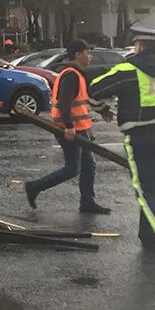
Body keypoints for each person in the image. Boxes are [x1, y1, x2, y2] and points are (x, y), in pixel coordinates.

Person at [89, 27, 155, 267]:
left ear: (139, 46)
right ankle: (149, 237)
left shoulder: (127, 70)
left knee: (146, 191)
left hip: (141, 137)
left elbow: (94, 91)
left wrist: (102, 108)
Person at [24, 39, 112, 215]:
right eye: (88, 52)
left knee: (89, 165)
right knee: (72, 168)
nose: (90, 56)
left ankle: (87, 202)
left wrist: (102, 110)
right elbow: (64, 103)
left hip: (81, 128)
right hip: (69, 129)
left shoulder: (77, 73)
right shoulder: (71, 75)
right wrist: (69, 126)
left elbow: (84, 99)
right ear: (78, 54)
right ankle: (34, 187)